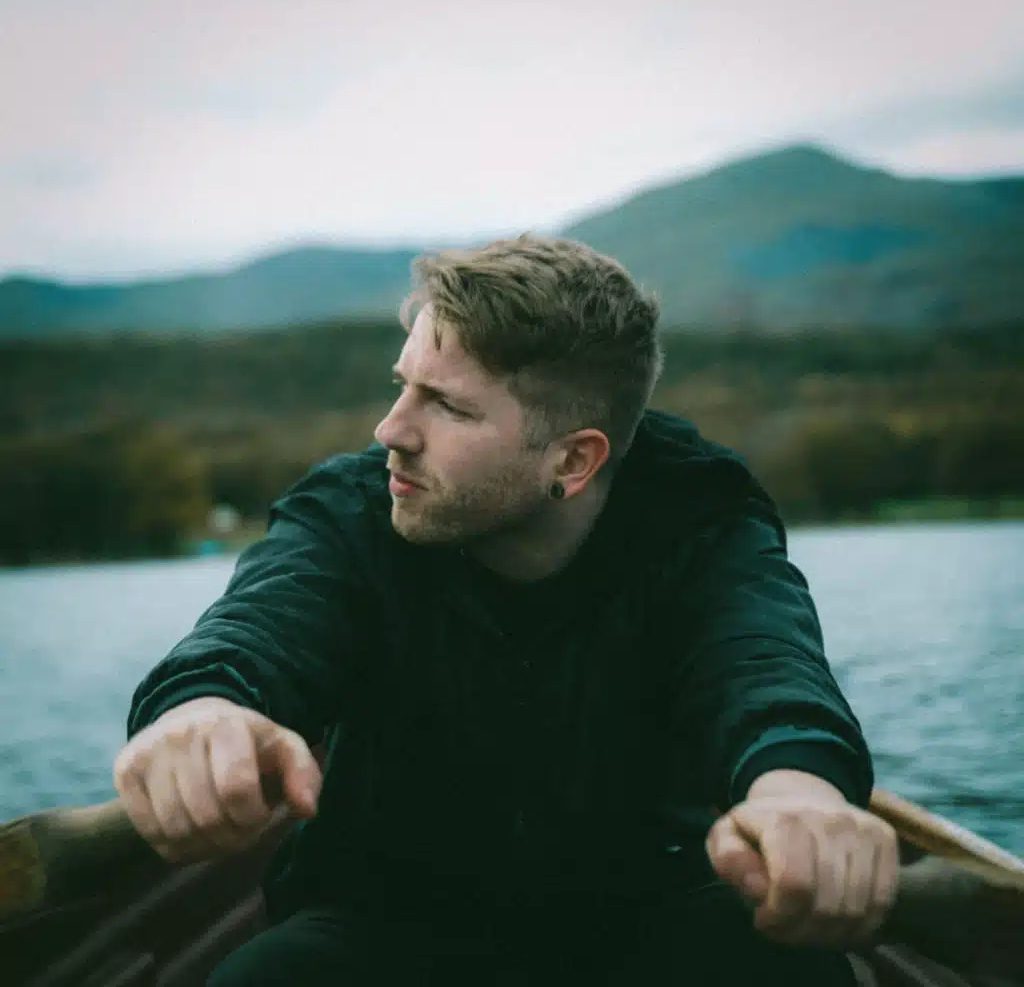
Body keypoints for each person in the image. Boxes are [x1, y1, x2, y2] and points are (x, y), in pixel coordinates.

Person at [115, 235, 898, 985]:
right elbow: (260, 627)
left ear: (573, 458)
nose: (392, 431)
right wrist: (202, 707)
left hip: (653, 917)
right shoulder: (351, 510)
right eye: (402, 386)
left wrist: (797, 792)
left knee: (789, 967)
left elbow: (764, 667)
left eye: (446, 407)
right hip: (388, 924)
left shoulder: (701, 515)